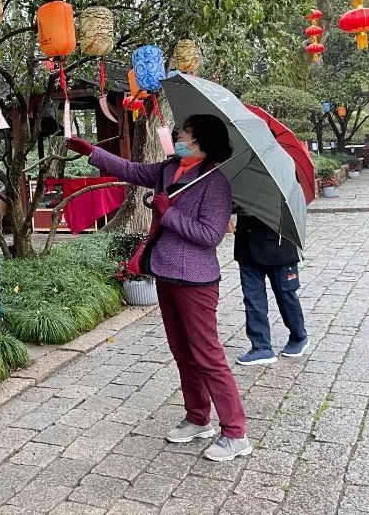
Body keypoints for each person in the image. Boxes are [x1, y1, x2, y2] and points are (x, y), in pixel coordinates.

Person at [68, 115, 251, 462]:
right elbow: (132, 170)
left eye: (185, 134)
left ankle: (235, 432)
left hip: (196, 281)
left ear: (200, 142)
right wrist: (91, 152)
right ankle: (198, 418)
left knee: (208, 356)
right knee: (183, 353)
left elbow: (210, 236)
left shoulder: (215, 183)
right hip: (165, 273)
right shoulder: (169, 169)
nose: (179, 137)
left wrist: (168, 213)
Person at [232, 211, 308, 365]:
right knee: (253, 299)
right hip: (246, 247)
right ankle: (261, 347)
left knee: (285, 296)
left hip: (279, 247)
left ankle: (299, 336)